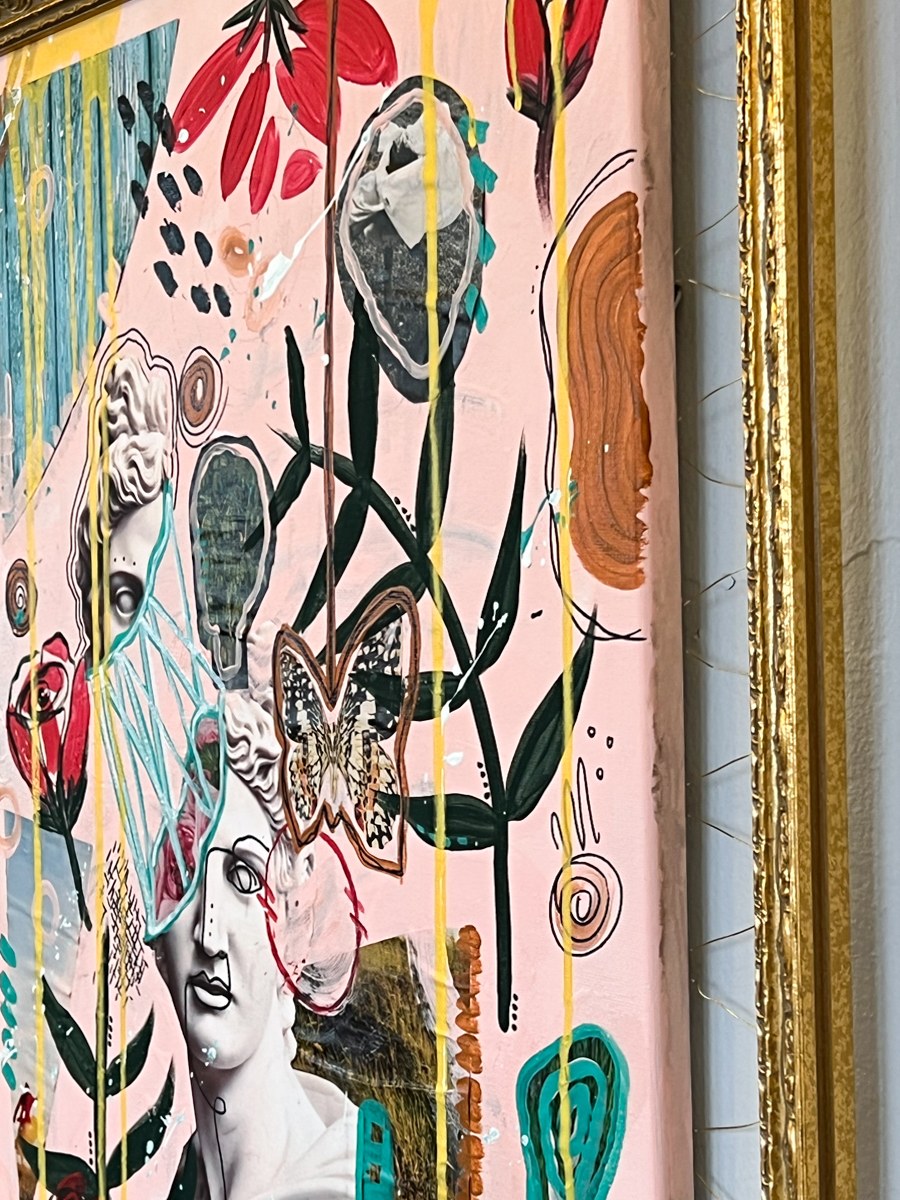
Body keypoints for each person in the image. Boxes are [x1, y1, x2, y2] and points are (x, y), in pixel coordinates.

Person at [157, 693, 361, 1200]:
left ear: (293, 929)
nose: (208, 934)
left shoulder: (337, 1186)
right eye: (186, 872)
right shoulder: (186, 1177)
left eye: (244, 877)